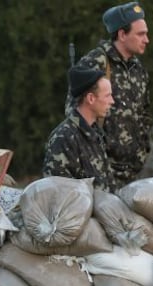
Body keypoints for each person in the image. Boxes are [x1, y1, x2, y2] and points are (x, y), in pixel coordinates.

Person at [65, 2, 152, 189]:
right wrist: (95, 158)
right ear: (122, 34)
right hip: (101, 173)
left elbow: (144, 114)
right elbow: (74, 114)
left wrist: (142, 152)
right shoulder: (96, 63)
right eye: (140, 34)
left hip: (132, 173)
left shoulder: (138, 69)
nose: (147, 39)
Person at [43, 65, 117, 193]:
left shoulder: (96, 132)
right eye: (107, 96)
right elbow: (58, 193)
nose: (112, 101)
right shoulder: (64, 138)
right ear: (91, 99)